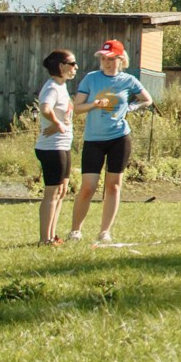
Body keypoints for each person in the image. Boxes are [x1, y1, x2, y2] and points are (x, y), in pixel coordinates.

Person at [66, 38, 152, 247]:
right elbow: (77, 108)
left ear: (120, 59)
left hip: (119, 138)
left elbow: (147, 99)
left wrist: (131, 108)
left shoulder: (129, 80)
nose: (106, 62)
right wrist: (94, 104)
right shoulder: (91, 79)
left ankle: (105, 232)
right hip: (94, 139)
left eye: (111, 58)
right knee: (88, 186)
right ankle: (75, 230)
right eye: (103, 58)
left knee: (113, 186)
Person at [36, 49, 77, 246]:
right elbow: (45, 108)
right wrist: (57, 123)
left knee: (62, 191)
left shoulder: (62, 86)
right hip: (52, 148)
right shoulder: (52, 87)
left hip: (63, 146)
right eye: (72, 63)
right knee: (52, 193)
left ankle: (53, 235)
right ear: (61, 66)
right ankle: (45, 239)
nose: (75, 67)